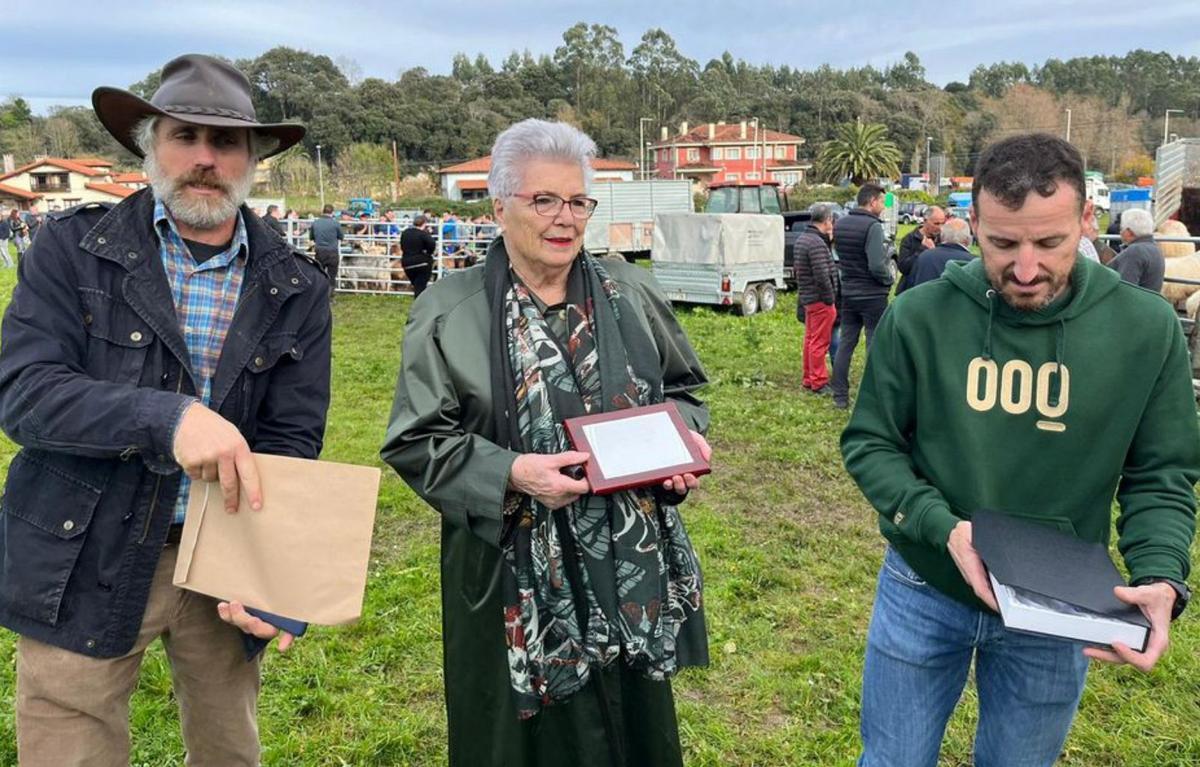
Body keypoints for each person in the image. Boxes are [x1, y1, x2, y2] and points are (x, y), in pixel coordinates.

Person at [0, 54, 332, 767]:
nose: (205, 159)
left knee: (228, 749)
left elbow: (291, 437)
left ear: (254, 158)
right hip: (82, 544)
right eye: (186, 135)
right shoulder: (71, 248)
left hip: (222, 550)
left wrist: (272, 573)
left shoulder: (295, 284)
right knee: (70, 747)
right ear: (149, 143)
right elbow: (24, 392)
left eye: (227, 142)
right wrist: (169, 417)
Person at [842, 133, 1198, 766]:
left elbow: (1162, 473)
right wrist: (941, 527)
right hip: (926, 582)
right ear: (972, 223)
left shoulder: (1145, 330)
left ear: (1088, 220)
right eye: (1002, 244)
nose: (1026, 269)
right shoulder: (919, 316)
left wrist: (1161, 576)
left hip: (1060, 603)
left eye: (1050, 243)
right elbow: (871, 443)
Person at [382, 118, 712, 767]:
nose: (565, 218)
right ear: (500, 205)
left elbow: (686, 391)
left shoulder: (630, 291)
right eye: (544, 200)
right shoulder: (451, 311)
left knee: (634, 733)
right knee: (520, 745)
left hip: (629, 568)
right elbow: (417, 440)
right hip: (513, 579)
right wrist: (509, 472)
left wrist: (682, 448)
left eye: (577, 201)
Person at [831, 183, 893, 409]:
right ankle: (871, 397)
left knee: (846, 343)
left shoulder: (841, 224)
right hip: (872, 294)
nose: (884, 208)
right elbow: (876, 264)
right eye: (883, 202)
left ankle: (839, 395)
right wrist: (888, 280)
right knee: (874, 343)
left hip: (848, 291)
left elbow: (841, 257)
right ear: (873, 201)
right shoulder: (873, 227)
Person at [793, 203, 839, 394]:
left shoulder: (803, 239)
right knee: (820, 342)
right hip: (820, 300)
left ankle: (808, 377)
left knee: (810, 340)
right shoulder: (817, 243)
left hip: (808, 298)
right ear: (827, 220)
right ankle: (819, 381)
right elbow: (822, 274)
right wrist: (830, 299)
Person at [907, 217, 973, 287]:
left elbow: (911, 285)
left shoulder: (924, 256)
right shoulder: (974, 263)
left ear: (942, 236)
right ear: (967, 240)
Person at [1110, 208, 1165, 291]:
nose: (1120, 233)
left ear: (1129, 232)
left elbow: (1125, 289)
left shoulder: (1135, 251)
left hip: (1133, 302)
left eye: (1121, 229)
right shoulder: (1155, 248)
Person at [895, 205, 946, 293]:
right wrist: (922, 249)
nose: (940, 227)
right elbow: (903, 268)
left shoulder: (944, 239)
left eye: (942, 223)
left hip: (935, 289)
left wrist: (936, 252)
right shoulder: (909, 239)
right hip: (912, 290)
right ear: (925, 221)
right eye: (936, 223)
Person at [399, 213, 438, 297]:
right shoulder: (423, 234)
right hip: (422, 262)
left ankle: (419, 302)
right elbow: (432, 244)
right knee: (420, 287)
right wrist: (429, 253)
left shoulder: (405, 233)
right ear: (424, 223)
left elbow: (402, 246)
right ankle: (420, 306)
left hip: (406, 263)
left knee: (417, 285)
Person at [309, 203, 343, 292]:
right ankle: (330, 297)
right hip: (332, 252)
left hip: (320, 251)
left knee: (320, 274)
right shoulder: (335, 223)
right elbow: (341, 237)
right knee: (332, 275)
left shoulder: (315, 223)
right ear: (332, 212)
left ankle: (319, 296)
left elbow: (311, 237)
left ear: (323, 211)